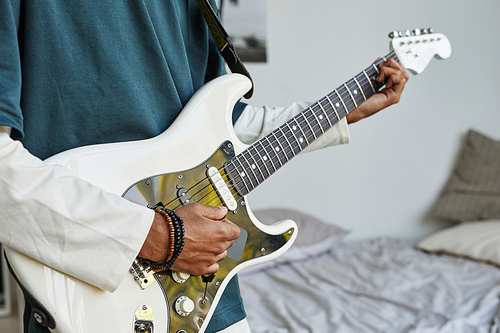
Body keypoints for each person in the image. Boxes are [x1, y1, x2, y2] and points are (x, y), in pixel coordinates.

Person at [0, 1, 408, 332]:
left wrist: (341, 114)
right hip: (95, 297)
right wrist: (159, 236)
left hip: (208, 299)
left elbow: (220, 130)